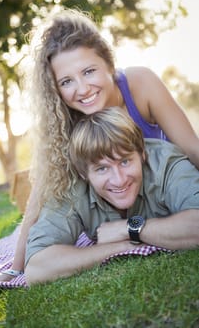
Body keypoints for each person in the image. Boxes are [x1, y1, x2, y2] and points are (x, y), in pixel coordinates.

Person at [0, 8, 199, 289]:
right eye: (66, 81)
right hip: (114, 210)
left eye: (89, 71)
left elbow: (192, 148)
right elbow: (38, 199)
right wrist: (17, 269)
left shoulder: (140, 84)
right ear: (56, 89)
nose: (82, 89)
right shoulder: (64, 122)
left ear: (109, 65)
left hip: (165, 193)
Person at [25, 106, 199, 285]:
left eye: (125, 161)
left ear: (142, 154)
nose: (119, 180)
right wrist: (121, 247)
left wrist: (128, 229)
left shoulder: (166, 163)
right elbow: (36, 268)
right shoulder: (71, 187)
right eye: (102, 169)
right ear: (84, 173)